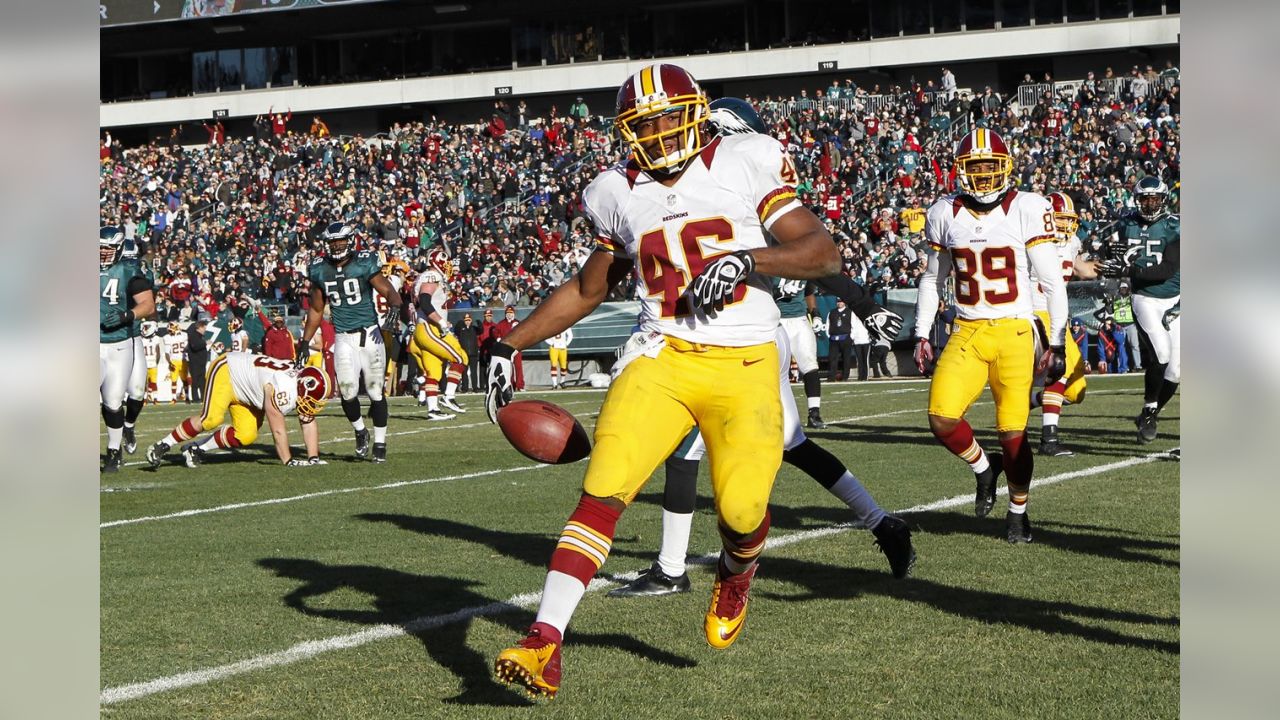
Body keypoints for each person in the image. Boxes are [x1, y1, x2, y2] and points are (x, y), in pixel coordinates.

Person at [487, 63, 840, 700]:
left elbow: (821, 250)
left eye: (664, 116)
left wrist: (745, 258)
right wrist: (510, 341)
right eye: (641, 123)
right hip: (662, 354)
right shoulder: (616, 190)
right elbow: (589, 288)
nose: (655, 132)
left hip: (746, 360)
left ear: (695, 111)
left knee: (741, 511)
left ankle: (737, 571)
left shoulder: (744, 159)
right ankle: (544, 641)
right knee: (604, 485)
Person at [606, 324, 915, 600]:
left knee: (685, 453)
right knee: (793, 444)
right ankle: (883, 524)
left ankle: (670, 571)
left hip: (730, 344)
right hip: (766, 334)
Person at [912, 128, 1069, 544]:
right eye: (975, 168)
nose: (982, 176)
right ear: (961, 171)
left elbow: (1052, 282)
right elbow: (933, 280)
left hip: (1015, 331)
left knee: (1013, 436)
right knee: (942, 418)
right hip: (966, 328)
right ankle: (984, 468)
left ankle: (1018, 511)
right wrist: (921, 333)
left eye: (989, 167)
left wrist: (1055, 342)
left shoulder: (1028, 208)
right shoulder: (944, 212)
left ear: (1005, 168)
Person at [301, 222, 403, 462]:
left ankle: (380, 443)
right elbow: (316, 309)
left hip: (370, 334)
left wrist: (396, 307)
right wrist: (305, 341)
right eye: (332, 241)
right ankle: (360, 431)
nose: (337, 245)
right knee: (347, 391)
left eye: (341, 240)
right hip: (343, 336)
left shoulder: (364, 263)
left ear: (350, 240)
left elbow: (388, 290)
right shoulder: (319, 269)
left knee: (376, 391)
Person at [1098, 175, 1180, 443]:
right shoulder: (1126, 224)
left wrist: (1128, 269)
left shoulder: (1174, 226)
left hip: (1175, 300)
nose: (1149, 203)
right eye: (1144, 198)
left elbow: (1167, 269)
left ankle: (1149, 412)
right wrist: (1114, 268)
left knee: (1176, 371)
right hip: (1145, 298)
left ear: (1163, 199)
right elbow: (1113, 257)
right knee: (1162, 354)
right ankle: (1150, 411)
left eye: (1154, 198)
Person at [146, 352, 330, 468]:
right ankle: (162, 445)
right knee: (211, 419)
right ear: (303, 385)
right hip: (228, 370)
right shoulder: (282, 388)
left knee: (246, 435)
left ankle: (195, 449)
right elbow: (278, 430)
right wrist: (288, 461)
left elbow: (308, 422)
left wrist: (313, 458)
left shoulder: (299, 383)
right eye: (312, 398)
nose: (311, 404)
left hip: (249, 391)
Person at [1027, 192, 1097, 457]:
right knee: (1061, 369)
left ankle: (1028, 402)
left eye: (1069, 220)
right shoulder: (1031, 240)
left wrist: (1112, 266)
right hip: (1035, 310)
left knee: (1076, 391)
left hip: (1057, 314)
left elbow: (1083, 270)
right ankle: (1049, 439)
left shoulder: (1072, 241)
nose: (1065, 226)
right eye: (1059, 219)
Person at [100, 227, 155, 472]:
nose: (102, 253)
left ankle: (116, 446)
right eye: (99, 248)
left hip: (123, 342)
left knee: (118, 399)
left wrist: (127, 315)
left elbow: (148, 305)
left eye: (107, 249)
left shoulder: (130, 271)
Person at [411, 249, 469, 414]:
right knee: (460, 358)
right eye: (446, 262)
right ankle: (448, 396)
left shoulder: (429, 276)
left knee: (434, 372)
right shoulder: (432, 275)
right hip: (430, 328)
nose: (449, 266)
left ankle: (433, 410)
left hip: (427, 327)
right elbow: (425, 301)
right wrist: (441, 321)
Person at [120, 238, 154, 453]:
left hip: (132, 336)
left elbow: (149, 303)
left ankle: (129, 426)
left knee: (138, 391)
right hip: (107, 339)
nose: (131, 265)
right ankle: (114, 446)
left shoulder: (141, 274)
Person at [491, 306, 524, 391]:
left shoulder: (517, 322)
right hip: (506, 349)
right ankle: (510, 385)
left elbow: (523, 332)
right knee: (508, 368)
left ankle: (520, 385)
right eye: (508, 313)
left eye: (511, 313)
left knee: (518, 367)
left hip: (517, 348)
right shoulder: (501, 323)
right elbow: (495, 331)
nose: (509, 315)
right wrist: (498, 338)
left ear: (514, 314)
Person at [825, 298, 853, 381]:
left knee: (846, 358)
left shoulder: (850, 312)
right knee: (832, 358)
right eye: (838, 301)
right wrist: (829, 335)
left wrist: (851, 336)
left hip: (845, 338)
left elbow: (854, 324)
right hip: (834, 338)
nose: (839, 303)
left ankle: (845, 376)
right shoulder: (832, 312)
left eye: (841, 301)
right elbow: (827, 324)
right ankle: (831, 376)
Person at [453, 313, 482, 392]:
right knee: (464, 372)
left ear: (471, 320)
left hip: (473, 353)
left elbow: (480, 331)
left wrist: (479, 323)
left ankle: (475, 387)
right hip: (464, 354)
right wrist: (460, 323)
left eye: (469, 320)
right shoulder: (461, 329)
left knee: (474, 371)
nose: (467, 322)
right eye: (466, 320)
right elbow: (456, 330)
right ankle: (465, 388)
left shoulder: (473, 328)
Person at [163, 321, 190, 403]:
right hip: (178, 360)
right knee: (175, 380)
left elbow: (167, 353)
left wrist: (169, 362)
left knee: (183, 380)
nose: (169, 331)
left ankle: (185, 397)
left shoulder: (182, 336)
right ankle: (175, 398)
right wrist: (169, 362)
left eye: (171, 329)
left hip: (181, 360)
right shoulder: (184, 335)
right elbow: (167, 353)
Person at [186, 318, 210, 404]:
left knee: (202, 380)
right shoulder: (193, 336)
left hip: (200, 362)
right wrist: (205, 343)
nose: (205, 329)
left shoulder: (199, 336)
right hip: (195, 362)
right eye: (204, 327)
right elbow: (195, 346)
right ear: (199, 327)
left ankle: (204, 397)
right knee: (195, 381)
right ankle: (195, 398)